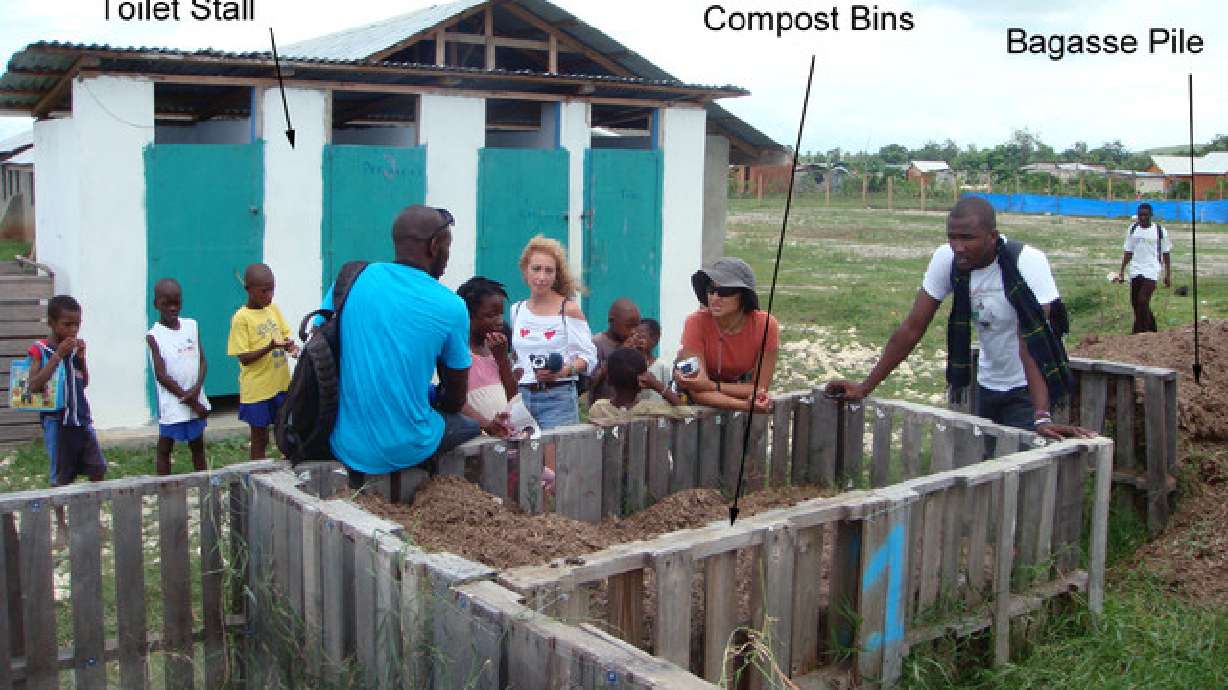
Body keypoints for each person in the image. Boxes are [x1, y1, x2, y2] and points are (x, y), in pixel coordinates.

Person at [825, 197, 1093, 441]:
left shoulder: (1027, 263)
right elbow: (912, 328)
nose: (958, 247)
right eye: (952, 238)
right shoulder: (948, 259)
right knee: (984, 467)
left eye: (967, 238)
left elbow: (1032, 344)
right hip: (986, 384)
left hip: (1030, 389)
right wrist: (865, 387)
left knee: (1022, 473)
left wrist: (1042, 415)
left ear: (992, 237)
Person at [328, 205, 480, 489]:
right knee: (469, 425)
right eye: (447, 248)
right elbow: (455, 398)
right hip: (408, 446)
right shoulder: (451, 306)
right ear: (434, 246)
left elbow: (323, 338)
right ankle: (429, 482)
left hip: (345, 442)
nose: (447, 258)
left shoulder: (353, 277)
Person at [510, 235, 598, 429]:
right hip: (522, 395)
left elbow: (588, 357)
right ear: (525, 270)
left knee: (556, 457)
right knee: (522, 457)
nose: (541, 277)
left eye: (549, 271)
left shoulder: (568, 309)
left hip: (558, 397)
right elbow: (517, 356)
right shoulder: (517, 310)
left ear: (556, 274)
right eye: (536, 269)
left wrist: (561, 372)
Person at [26, 295, 107, 496]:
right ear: (51, 323)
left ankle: (92, 511)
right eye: (67, 325)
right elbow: (34, 385)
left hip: (80, 418)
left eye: (77, 325)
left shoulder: (73, 349)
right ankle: (61, 523)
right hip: (57, 421)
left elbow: (83, 383)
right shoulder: (40, 350)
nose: (73, 330)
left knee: (97, 468)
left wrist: (82, 359)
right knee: (60, 477)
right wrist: (57, 356)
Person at [675, 257, 777, 412]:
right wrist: (744, 405)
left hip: (735, 395)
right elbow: (697, 389)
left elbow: (760, 388)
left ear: (743, 295)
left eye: (724, 291)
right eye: (711, 290)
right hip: (696, 407)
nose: (715, 298)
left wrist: (712, 386)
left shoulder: (766, 325)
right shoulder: (695, 322)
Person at [227, 263, 298, 460]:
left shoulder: (273, 310)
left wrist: (290, 346)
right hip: (257, 390)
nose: (269, 296)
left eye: (272, 290)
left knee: (284, 432)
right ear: (249, 290)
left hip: (280, 385)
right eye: (264, 291)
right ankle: (256, 476)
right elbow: (244, 358)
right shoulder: (241, 318)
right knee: (260, 438)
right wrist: (270, 347)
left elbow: (284, 335)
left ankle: (286, 474)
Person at [147, 278, 210, 475]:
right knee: (165, 446)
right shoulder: (154, 336)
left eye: (177, 302)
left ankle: (203, 482)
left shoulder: (192, 325)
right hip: (174, 402)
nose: (173, 308)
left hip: (195, 396)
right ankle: (164, 486)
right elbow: (161, 375)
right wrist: (189, 400)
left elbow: (202, 361)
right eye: (167, 303)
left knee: (197, 444)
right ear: (156, 304)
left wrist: (196, 390)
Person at [1114, 202, 1172, 334]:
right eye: (1140, 215)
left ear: (1151, 215)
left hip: (1152, 269)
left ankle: (1140, 332)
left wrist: (1168, 275)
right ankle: (1152, 329)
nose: (1142, 218)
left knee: (1143, 300)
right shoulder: (1133, 229)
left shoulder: (1160, 231)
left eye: (1145, 215)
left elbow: (1166, 253)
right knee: (1135, 302)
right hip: (1135, 269)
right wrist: (1122, 271)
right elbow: (1128, 251)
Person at [589, 347, 687, 422]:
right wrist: (657, 385)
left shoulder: (599, 409)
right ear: (643, 383)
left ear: (609, 380)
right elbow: (687, 413)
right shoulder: (651, 410)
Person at [586, 298, 642, 405]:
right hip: (603, 410)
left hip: (631, 408)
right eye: (629, 326)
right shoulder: (597, 344)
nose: (634, 331)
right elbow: (590, 383)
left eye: (637, 326)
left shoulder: (634, 344)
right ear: (612, 321)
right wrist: (619, 353)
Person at [629, 317, 674, 404]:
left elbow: (668, 393)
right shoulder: (629, 365)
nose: (637, 340)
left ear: (655, 339)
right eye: (634, 336)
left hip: (657, 413)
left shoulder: (662, 367)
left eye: (641, 336)